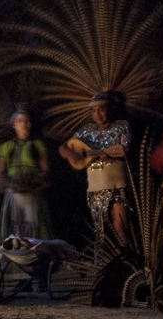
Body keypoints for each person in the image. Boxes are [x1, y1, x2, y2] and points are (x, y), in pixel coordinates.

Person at [58, 91, 130, 250]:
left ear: (111, 108)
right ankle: (104, 266)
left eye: (101, 109)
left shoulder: (121, 126)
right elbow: (63, 148)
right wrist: (70, 153)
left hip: (118, 185)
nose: (97, 114)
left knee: (121, 229)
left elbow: (124, 150)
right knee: (100, 232)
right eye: (94, 110)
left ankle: (127, 263)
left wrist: (107, 153)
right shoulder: (86, 131)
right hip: (96, 187)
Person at [0, 106, 52, 240]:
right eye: (20, 121)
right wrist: (10, 184)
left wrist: (31, 181)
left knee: (33, 226)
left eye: (27, 121)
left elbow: (45, 171)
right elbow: (0, 174)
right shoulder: (6, 147)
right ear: (14, 124)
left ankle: (36, 256)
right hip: (13, 192)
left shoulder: (37, 145)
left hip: (32, 192)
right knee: (14, 228)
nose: (25, 125)